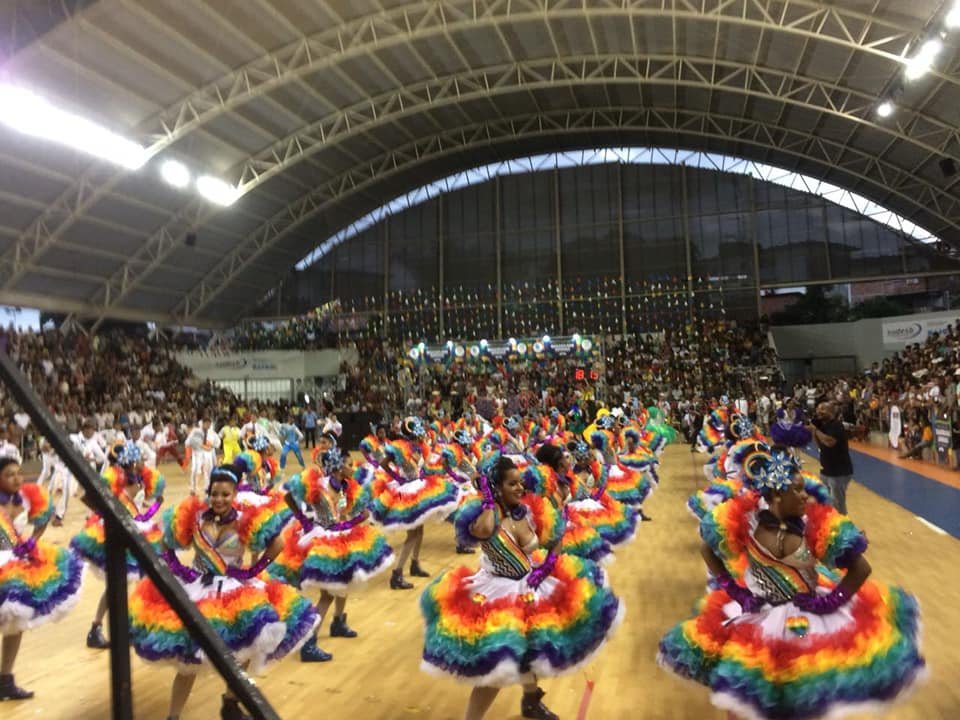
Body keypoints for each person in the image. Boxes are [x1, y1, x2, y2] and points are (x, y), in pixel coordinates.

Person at [658, 447, 925, 720]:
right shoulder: (745, 520)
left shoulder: (815, 524)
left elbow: (861, 568)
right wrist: (735, 591)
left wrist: (829, 602)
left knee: (803, 695)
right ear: (776, 495)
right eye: (797, 490)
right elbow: (707, 548)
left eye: (804, 489)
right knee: (744, 700)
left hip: (808, 622)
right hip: (758, 617)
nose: (804, 496)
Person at [420, 454, 622, 720]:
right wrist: (489, 499)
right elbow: (484, 531)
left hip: (531, 584)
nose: (519, 488)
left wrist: (548, 565)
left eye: (520, 483)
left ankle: (530, 701)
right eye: (511, 484)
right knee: (495, 670)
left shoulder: (527, 510)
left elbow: (556, 535)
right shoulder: (485, 517)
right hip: (497, 594)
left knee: (533, 650)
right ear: (497, 487)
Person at [129, 462, 318, 720]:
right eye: (214, 493)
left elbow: (278, 543)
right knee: (188, 662)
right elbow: (165, 543)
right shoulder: (194, 517)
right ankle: (173, 716)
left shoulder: (246, 520)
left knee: (245, 647)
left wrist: (253, 570)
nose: (219, 499)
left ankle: (230, 703)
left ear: (235, 494)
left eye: (225, 494)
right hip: (198, 589)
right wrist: (178, 568)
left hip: (234, 592)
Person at [272, 447, 394, 662]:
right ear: (337, 468)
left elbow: (344, 514)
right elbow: (289, 495)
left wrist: (356, 519)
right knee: (328, 595)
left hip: (339, 536)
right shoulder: (319, 486)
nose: (352, 467)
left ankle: (338, 622)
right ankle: (309, 643)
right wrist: (304, 520)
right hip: (322, 541)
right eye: (348, 464)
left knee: (345, 578)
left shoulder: (345, 486)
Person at [0, 456, 84, 701]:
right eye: (9, 475)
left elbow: (45, 515)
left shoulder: (25, 497)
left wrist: (32, 542)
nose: (17, 478)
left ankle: (5, 679)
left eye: (19, 473)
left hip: (16, 567)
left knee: (15, 623)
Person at [369, 417, 459, 590]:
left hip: (418, 486)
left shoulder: (419, 447)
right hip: (408, 492)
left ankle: (414, 564)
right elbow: (383, 464)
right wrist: (398, 478)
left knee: (419, 530)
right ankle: (397, 574)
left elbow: (422, 468)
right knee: (412, 535)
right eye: (419, 432)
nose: (422, 435)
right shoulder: (399, 447)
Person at [808, 401, 854, 514]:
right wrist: (814, 431)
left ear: (831, 411)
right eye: (818, 409)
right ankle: (830, 522)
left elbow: (830, 442)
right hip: (826, 470)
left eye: (823, 409)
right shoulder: (823, 426)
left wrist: (815, 430)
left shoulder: (836, 425)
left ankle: (842, 524)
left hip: (839, 472)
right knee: (826, 501)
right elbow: (820, 445)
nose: (819, 411)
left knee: (838, 504)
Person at [184, 418, 220, 495]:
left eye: (209, 424)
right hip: (197, 453)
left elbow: (217, 442)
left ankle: (207, 487)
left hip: (208, 453)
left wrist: (212, 445)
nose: (208, 426)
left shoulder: (211, 432)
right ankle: (193, 487)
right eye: (206, 424)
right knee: (195, 470)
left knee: (208, 470)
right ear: (202, 424)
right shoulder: (195, 431)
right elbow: (187, 442)